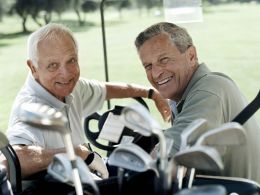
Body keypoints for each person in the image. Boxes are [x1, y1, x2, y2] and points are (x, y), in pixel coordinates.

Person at [5, 23, 171, 179]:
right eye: (53, 65)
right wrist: (78, 153)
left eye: (71, 61)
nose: (66, 74)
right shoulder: (29, 108)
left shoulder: (72, 87)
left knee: (151, 153)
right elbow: (12, 159)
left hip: (91, 173)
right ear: (33, 68)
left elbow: (106, 89)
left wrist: (151, 93)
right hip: (68, 187)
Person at [134, 22, 260, 183]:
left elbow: (169, 152)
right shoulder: (184, 94)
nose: (156, 73)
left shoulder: (209, 89)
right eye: (148, 66)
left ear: (191, 56)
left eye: (164, 60)